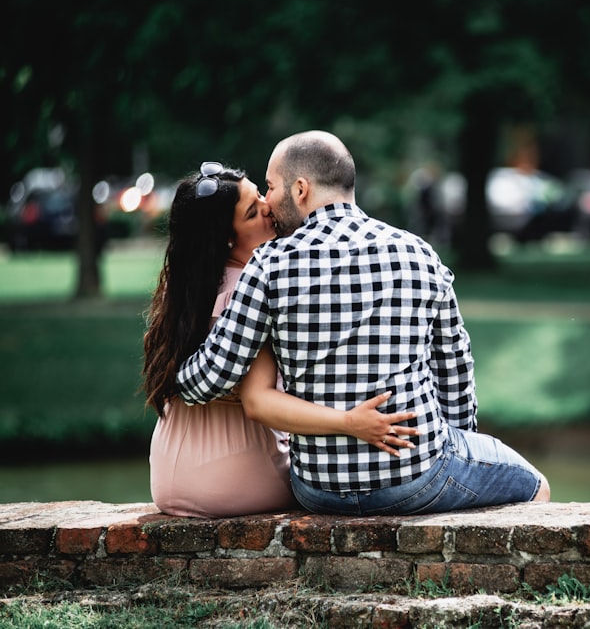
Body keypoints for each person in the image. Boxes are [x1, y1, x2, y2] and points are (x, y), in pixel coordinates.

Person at [177, 131, 550, 515]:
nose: (267, 202)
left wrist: (170, 374)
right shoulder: (418, 253)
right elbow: (454, 373)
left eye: (270, 187)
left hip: (317, 488)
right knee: (536, 485)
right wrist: (455, 446)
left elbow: (207, 381)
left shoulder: (269, 263)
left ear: (300, 189)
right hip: (416, 477)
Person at [142, 161, 419, 518]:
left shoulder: (179, 291)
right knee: (330, 482)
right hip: (236, 479)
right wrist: (350, 422)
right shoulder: (252, 290)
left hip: (167, 479)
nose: (269, 209)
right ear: (227, 237)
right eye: (253, 212)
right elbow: (259, 401)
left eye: (261, 195)